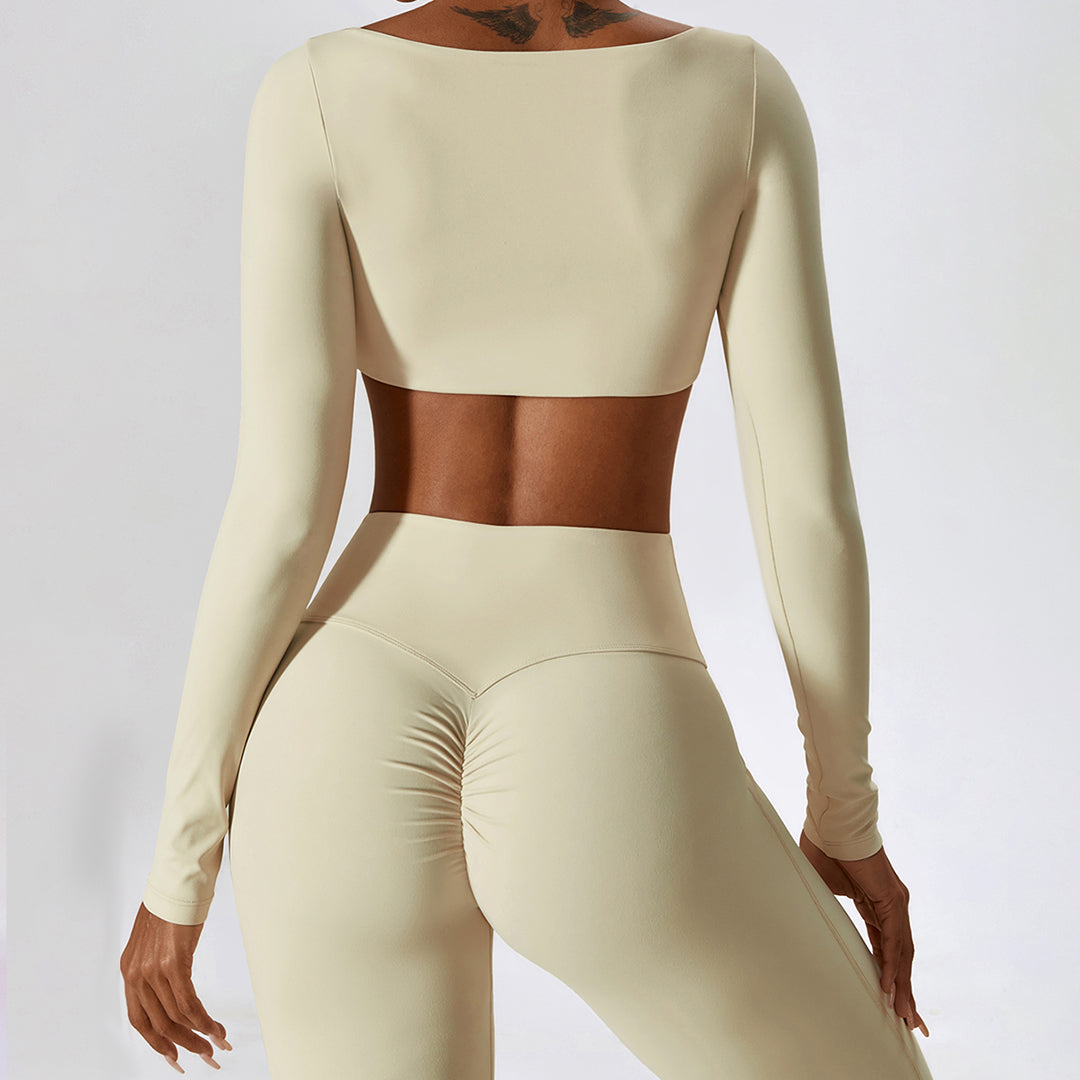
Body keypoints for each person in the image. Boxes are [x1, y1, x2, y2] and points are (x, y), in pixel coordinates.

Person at [119, 3, 935, 1077]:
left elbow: (280, 513)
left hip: (340, 704)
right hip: (605, 696)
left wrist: (179, 868)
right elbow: (805, 505)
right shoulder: (735, 94)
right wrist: (845, 813)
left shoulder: (315, 89)